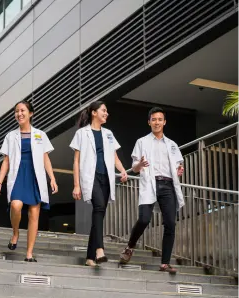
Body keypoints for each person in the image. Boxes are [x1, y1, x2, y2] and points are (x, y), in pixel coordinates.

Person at [119, 107, 184, 274]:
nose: (157, 122)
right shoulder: (142, 142)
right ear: (149, 122)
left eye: (160, 119)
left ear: (164, 122)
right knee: (144, 219)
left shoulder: (172, 145)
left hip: (168, 185)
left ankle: (165, 263)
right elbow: (134, 167)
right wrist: (139, 165)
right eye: (153, 119)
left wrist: (179, 171)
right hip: (150, 183)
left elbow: (178, 165)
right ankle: (130, 246)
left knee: (170, 223)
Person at [0, 100, 58, 262]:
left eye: (22, 111)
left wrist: (52, 178)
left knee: (34, 214)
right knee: (15, 205)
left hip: (35, 176)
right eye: (17, 111)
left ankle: (29, 253)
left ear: (31, 113)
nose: (19, 114)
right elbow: (6, 161)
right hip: (18, 176)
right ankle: (15, 233)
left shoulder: (40, 135)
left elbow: (45, 158)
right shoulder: (10, 135)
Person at [70, 101, 127, 267]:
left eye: (106, 110)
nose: (106, 113)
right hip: (91, 176)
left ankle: (89, 258)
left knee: (99, 216)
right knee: (99, 208)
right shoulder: (82, 133)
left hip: (106, 178)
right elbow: (76, 161)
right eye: (104, 110)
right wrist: (76, 185)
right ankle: (99, 249)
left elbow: (114, 156)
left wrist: (123, 170)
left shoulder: (108, 133)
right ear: (94, 112)